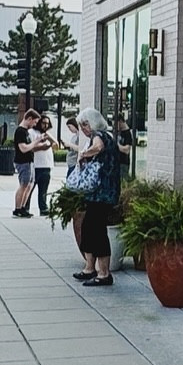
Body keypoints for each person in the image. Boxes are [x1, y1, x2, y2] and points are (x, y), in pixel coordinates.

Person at [72, 107, 121, 286]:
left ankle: (104, 273)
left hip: (103, 193)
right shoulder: (106, 136)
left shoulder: (99, 135)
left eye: (85, 124)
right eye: (81, 125)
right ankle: (90, 268)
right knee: (89, 228)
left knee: (97, 230)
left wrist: (84, 154)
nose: (84, 128)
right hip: (100, 193)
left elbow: (98, 147)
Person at [10, 109, 40, 217]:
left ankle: (23, 207)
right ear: (29, 119)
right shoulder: (20, 131)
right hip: (23, 161)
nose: (35, 124)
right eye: (34, 122)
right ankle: (18, 208)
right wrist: (36, 142)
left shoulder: (25, 131)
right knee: (24, 184)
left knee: (30, 184)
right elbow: (23, 148)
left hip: (29, 161)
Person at [32, 114, 56, 217]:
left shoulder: (47, 134)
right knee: (30, 188)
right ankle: (25, 207)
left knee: (43, 190)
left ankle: (43, 208)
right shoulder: (32, 132)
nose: (45, 125)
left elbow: (56, 146)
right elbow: (31, 148)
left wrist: (50, 140)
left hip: (47, 165)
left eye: (47, 123)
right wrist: (42, 147)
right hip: (35, 165)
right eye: (43, 123)